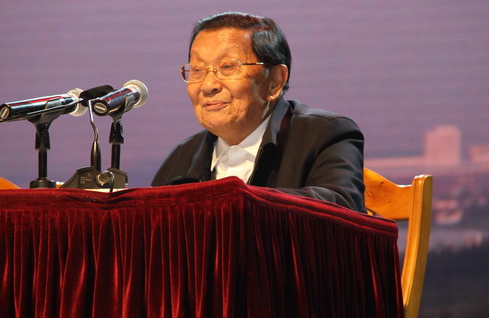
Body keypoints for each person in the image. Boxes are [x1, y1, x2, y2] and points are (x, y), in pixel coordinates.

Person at [151, 12, 365, 212]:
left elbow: (342, 211)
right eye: (198, 70)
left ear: (275, 81)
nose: (208, 86)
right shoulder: (184, 156)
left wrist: (235, 202)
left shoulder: (324, 135)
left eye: (228, 67)